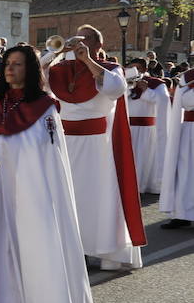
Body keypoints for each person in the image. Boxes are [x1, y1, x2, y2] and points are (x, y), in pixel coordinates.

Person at [0, 45, 96, 303]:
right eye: (8, 63)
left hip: (25, 184)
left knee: (14, 240)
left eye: (18, 64)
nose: (10, 68)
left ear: (30, 70)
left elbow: (36, 147)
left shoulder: (44, 106)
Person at [43, 25, 145, 270]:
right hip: (64, 144)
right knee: (66, 198)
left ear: (98, 44)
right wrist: (55, 53)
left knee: (97, 200)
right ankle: (70, 247)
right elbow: (35, 79)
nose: (80, 42)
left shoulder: (109, 68)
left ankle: (100, 248)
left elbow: (115, 89)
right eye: (76, 38)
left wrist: (87, 59)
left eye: (87, 39)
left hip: (97, 148)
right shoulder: (58, 69)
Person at [125, 58, 169, 194]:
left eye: (137, 68)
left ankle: (141, 186)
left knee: (143, 159)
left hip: (146, 129)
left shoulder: (156, 84)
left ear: (144, 70)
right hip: (127, 127)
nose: (134, 71)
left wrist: (146, 91)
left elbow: (163, 100)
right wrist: (126, 88)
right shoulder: (124, 82)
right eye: (131, 68)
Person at [159, 66, 194, 228]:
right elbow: (186, 103)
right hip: (189, 129)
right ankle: (182, 214)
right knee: (185, 172)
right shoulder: (188, 76)